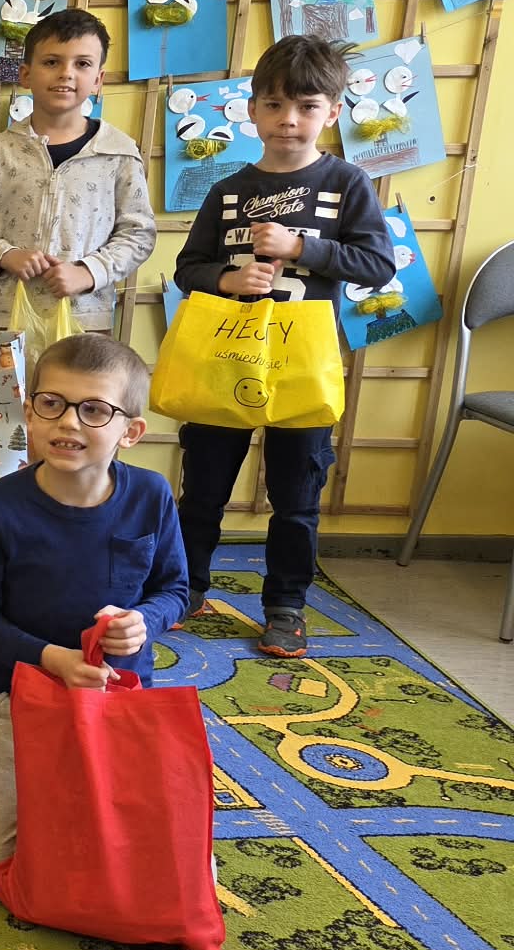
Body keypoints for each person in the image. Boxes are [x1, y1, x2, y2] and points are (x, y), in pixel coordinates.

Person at [171, 34, 395, 654]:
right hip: (225, 358)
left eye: (306, 106)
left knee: (297, 496)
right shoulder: (228, 190)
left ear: (333, 112)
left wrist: (302, 248)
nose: (288, 119)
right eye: (273, 104)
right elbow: (187, 267)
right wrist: (226, 279)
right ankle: (185, 587)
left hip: (304, 367)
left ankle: (286, 604)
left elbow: (378, 264)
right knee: (204, 486)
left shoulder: (347, 182)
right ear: (251, 110)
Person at [0, 334, 188, 874]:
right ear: (30, 412)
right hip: (17, 697)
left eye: (94, 410)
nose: (69, 423)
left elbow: (175, 590)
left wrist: (144, 622)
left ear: (130, 432)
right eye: (52, 403)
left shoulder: (151, 495)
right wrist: (52, 659)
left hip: (118, 699)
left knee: (166, 854)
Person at [0, 8, 155, 336]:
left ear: (98, 80)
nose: (66, 73)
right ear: (25, 74)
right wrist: (6, 255)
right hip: (0, 320)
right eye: (51, 62)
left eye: (82, 64)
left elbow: (139, 233)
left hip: (84, 322)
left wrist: (88, 272)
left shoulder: (118, 153)